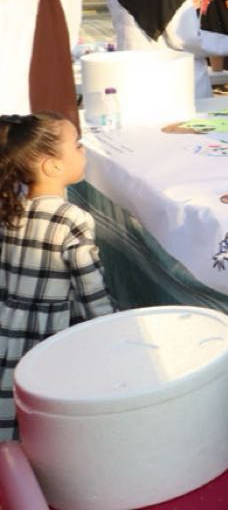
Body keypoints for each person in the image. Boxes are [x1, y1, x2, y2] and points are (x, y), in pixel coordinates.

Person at [0, 113, 114, 438]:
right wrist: (110, 330)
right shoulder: (71, 218)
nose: (83, 150)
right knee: (54, 409)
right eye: (77, 145)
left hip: (9, 327)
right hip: (53, 332)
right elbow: (91, 288)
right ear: (52, 166)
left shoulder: (11, 209)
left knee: (15, 402)